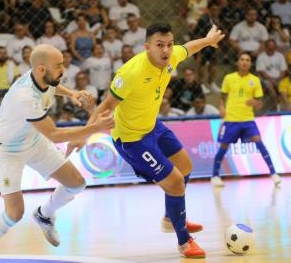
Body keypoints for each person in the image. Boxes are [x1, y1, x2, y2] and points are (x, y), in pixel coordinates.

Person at [71, 23, 225, 258]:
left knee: (185, 167)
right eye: (159, 45)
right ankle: (184, 242)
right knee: (175, 183)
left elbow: (189, 48)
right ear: (147, 47)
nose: (166, 50)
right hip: (131, 139)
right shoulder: (131, 72)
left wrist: (207, 39)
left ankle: (170, 217)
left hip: (153, 126)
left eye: (169, 44)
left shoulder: (172, 56)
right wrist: (83, 134)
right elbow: (105, 106)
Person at [0, 44, 114, 263]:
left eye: (63, 64)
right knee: (14, 213)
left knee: (76, 183)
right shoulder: (25, 96)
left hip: (32, 140)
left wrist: (72, 93)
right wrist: (93, 128)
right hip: (7, 150)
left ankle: (44, 215)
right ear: (42, 69)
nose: (63, 70)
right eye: (59, 66)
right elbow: (54, 134)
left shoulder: (39, 75)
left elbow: (53, 86)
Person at [211, 52, 282, 187]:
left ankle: (274, 173)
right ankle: (215, 176)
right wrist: (221, 107)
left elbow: (259, 103)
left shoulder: (255, 80)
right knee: (224, 147)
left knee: (260, 143)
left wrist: (254, 102)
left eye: (247, 60)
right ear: (238, 62)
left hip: (248, 120)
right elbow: (222, 96)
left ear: (250, 64)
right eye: (242, 59)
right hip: (231, 119)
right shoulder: (229, 78)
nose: (244, 62)